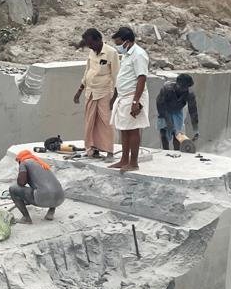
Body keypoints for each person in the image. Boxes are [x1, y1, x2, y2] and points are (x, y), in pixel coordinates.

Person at [108, 26, 150, 172]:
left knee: (133, 129)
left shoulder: (139, 55)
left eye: (119, 43)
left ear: (127, 41)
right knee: (124, 129)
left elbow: (141, 78)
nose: (118, 47)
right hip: (123, 97)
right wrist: (114, 97)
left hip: (133, 97)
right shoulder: (127, 55)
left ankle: (133, 162)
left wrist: (135, 101)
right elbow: (123, 78)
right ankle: (124, 159)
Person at [73, 28, 118, 158]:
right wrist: (79, 91)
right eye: (88, 44)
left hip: (104, 92)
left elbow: (116, 76)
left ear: (98, 40)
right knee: (90, 121)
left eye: (91, 43)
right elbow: (87, 71)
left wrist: (114, 98)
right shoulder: (92, 52)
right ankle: (92, 149)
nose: (90, 46)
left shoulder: (111, 53)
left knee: (106, 122)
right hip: (90, 91)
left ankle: (109, 151)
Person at [10, 147, 65, 224]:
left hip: (43, 199)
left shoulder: (23, 163)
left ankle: (26, 218)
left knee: (13, 189)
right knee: (49, 185)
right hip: (60, 198)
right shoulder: (40, 162)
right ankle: (51, 211)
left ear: (19, 160)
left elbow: (21, 183)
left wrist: (20, 174)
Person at [157, 73, 199, 152]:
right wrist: (167, 120)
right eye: (184, 87)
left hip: (177, 112)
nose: (185, 89)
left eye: (187, 87)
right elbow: (159, 104)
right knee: (164, 132)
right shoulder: (166, 89)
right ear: (178, 84)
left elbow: (193, 111)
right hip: (164, 110)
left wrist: (195, 129)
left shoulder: (189, 94)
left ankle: (176, 152)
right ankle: (166, 151)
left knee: (177, 134)